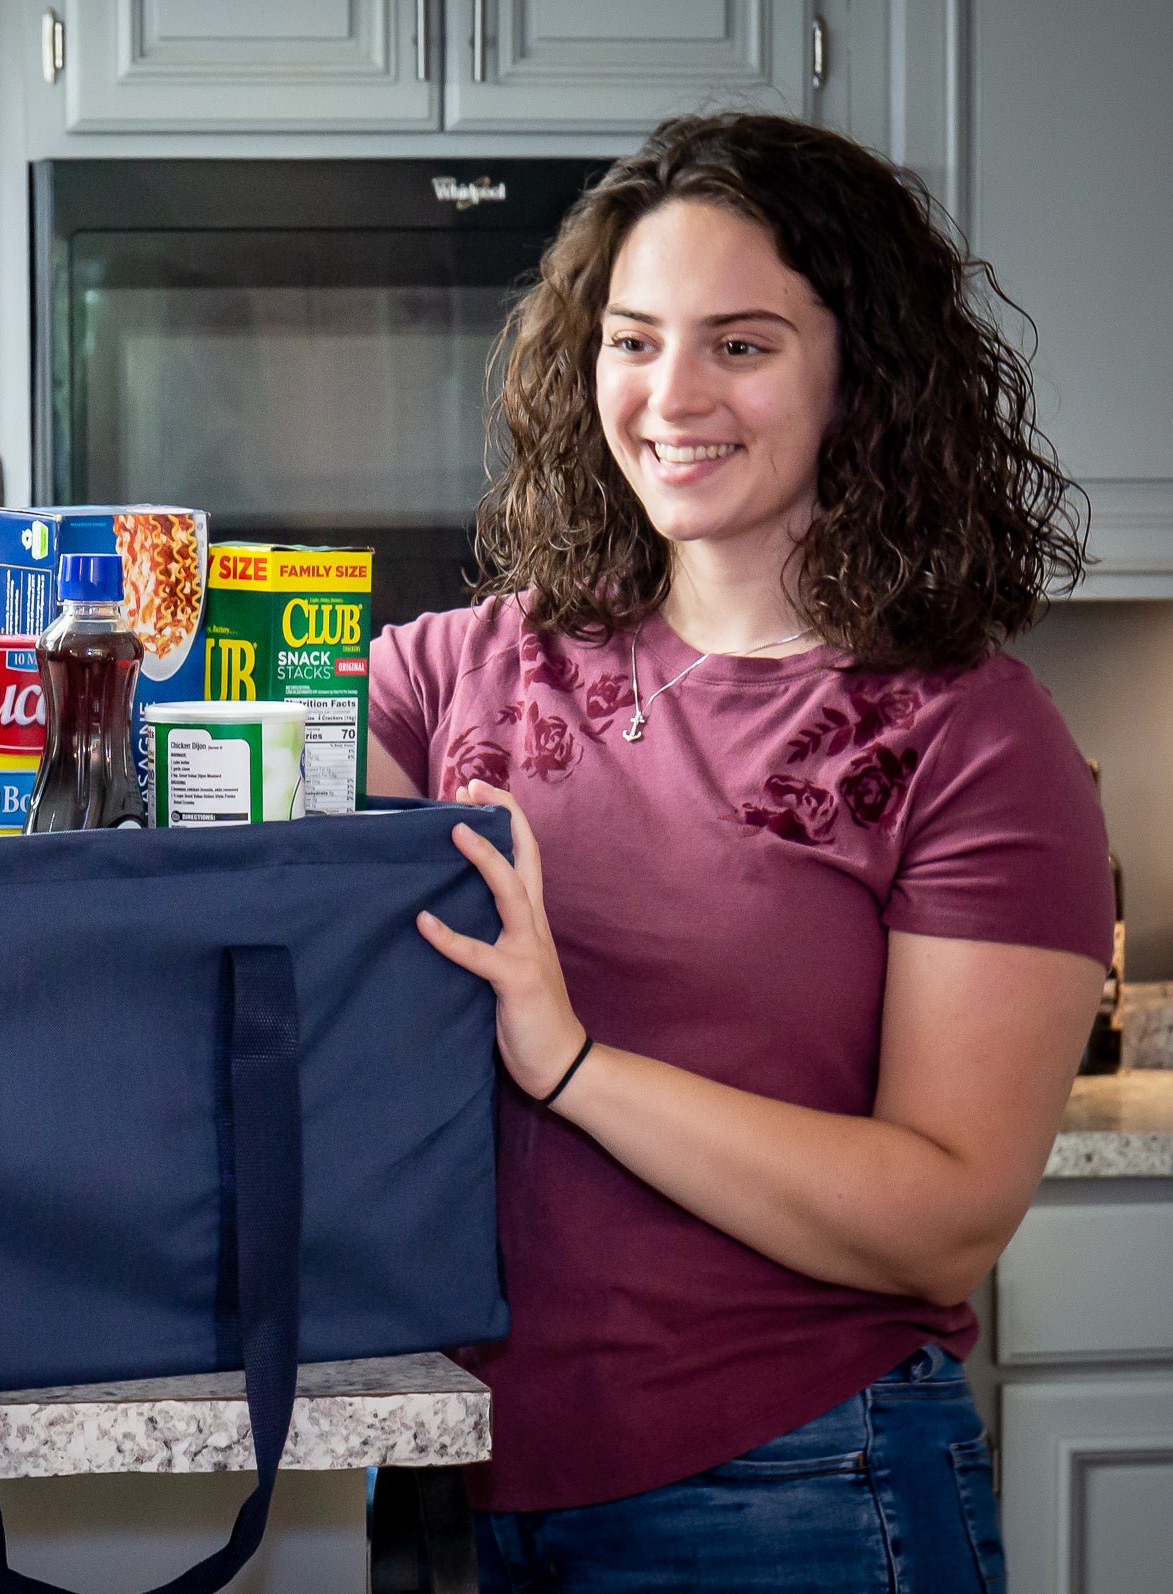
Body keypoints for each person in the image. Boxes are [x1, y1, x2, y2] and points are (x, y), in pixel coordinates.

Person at [367, 112, 1114, 1591]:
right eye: (634, 340)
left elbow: (945, 1219)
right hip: (442, 1482)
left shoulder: (970, 739)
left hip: (789, 1488)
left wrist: (571, 1061)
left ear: (861, 375)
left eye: (744, 344)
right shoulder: (458, 670)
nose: (671, 395)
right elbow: (215, 846)